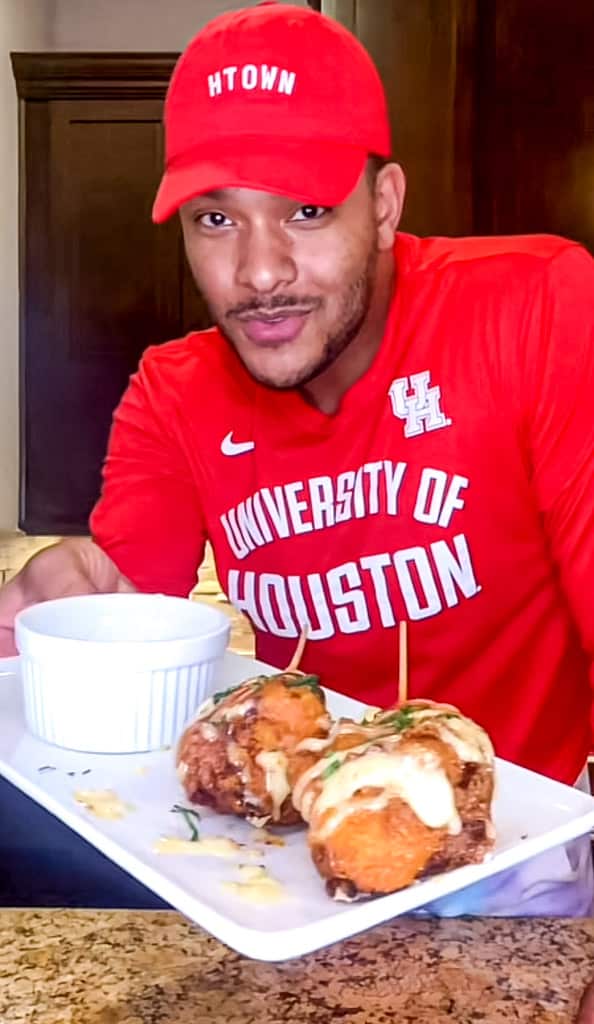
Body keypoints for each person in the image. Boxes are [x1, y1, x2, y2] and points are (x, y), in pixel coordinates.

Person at [1, 2, 593, 923]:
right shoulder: (173, 390)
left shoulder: (537, 309)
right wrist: (81, 600)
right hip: (284, 867)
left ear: (386, 203)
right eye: (216, 219)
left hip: (521, 861)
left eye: (307, 210)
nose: (262, 270)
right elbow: (132, 613)